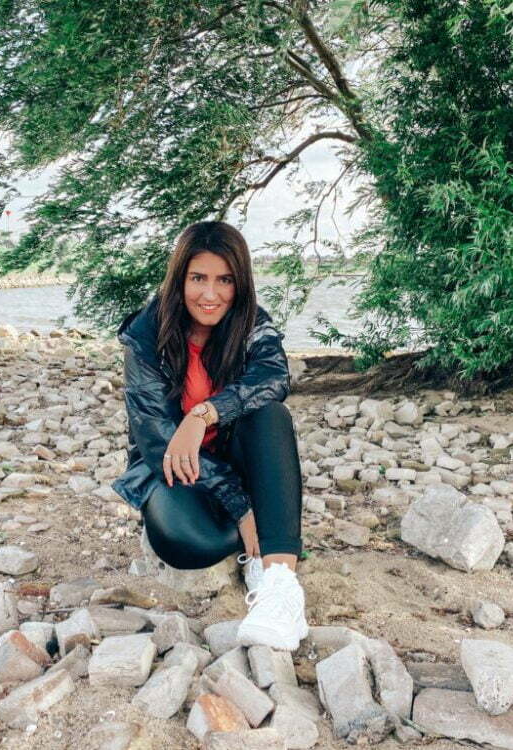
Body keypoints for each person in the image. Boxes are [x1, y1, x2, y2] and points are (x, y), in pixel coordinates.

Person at [110, 221, 308, 651]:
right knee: (194, 543)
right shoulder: (145, 335)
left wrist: (204, 414)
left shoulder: (252, 323)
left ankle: (279, 588)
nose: (210, 294)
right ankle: (267, 523)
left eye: (225, 280)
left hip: (235, 453)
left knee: (270, 415)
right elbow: (156, 436)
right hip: (171, 463)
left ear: (240, 283)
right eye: (198, 278)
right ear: (179, 279)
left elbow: (274, 378)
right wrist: (242, 506)